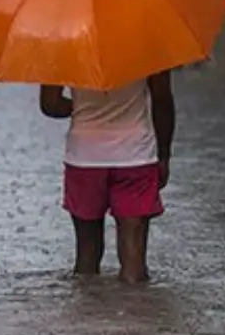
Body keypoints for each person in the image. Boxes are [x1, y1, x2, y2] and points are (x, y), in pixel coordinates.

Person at [39, 72, 175, 284]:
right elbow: (162, 100)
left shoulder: (64, 44)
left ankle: (88, 314)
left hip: (85, 157)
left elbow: (50, 104)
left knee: (86, 257)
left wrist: (82, 107)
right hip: (135, 156)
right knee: (134, 259)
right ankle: (138, 313)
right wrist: (164, 155)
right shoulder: (148, 43)